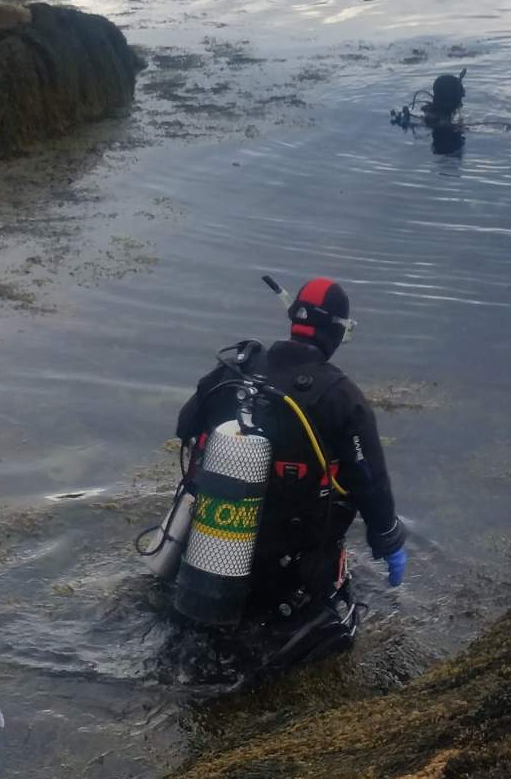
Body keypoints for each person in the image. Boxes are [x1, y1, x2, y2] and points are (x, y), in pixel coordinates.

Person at [174, 277, 406, 672]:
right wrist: (388, 538)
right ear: (336, 330)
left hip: (215, 549)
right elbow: (369, 479)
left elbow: (185, 426)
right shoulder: (340, 396)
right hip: (291, 577)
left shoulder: (235, 372)